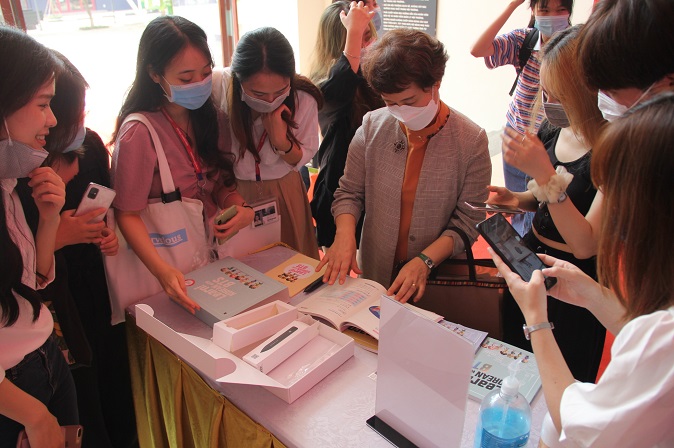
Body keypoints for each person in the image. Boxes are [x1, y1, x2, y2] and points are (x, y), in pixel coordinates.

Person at [490, 93, 674, 447]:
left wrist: (538, 322)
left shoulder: (661, 335)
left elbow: (577, 425)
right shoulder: (656, 324)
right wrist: (591, 294)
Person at [16, 51, 137, 447]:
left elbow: (107, 208)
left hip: (94, 287)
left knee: (114, 387)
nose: (78, 127)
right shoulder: (20, 170)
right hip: (55, 307)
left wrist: (106, 235)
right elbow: (28, 272)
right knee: (84, 404)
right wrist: (58, 233)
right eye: (49, 109)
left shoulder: (92, 149)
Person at [317, 29, 491, 303]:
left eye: (409, 101)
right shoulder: (373, 126)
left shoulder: (471, 141)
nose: (400, 111)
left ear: (435, 83)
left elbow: (469, 220)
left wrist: (425, 260)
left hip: (435, 276)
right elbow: (349, 192)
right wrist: (345, 234)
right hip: (376, 270)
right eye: (390, 103)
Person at [487, 26, 606, 382]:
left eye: (557, 92)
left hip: (573, 280)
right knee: (514, 362)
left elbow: (585, 243)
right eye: (545, 88)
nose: (548, 98)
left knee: (559, 376)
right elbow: (541, 202)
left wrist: (545, 175)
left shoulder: (613, 151)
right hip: (529, 261)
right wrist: (515, 199)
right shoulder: (554, 131)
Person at [111, 16, 253, 311]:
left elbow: (219, 184)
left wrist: (241, 209)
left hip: (211, 257)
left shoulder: (211, 116)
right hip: (163, 265)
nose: (200, 85)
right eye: (186, 79)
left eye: (205, 73)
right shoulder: (139, 132)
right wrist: (162, 271)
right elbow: (127, 214)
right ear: (154, 73)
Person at [0, 25, 75, 448]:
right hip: (13, 394)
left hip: (43, 357)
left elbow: (32, 282)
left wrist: (48, 219)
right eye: (43, 104)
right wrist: (33, 415)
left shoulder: (9, 183)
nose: (53, 119)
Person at [212, 27, 323, 258]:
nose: (271, 101)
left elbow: (301, 158)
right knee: (243, 273)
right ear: (238, 79)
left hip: (284, 190)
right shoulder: (218, 87)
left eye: (280, 91)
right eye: (258, 94)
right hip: (235, 194)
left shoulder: (303, 97)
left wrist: (280, 141)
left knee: (293, 269)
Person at [470, 0, 573, 236]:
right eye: (544, 10)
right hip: (518, 137)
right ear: (534, 11)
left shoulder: (578, 46)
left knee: (546, 208)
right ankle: (521, 257)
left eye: (560, 9)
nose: (552, 16)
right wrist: (511, 6)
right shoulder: (524, 41)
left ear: (569, 11)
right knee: (517, 204)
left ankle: (536, 254)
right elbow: (478, 50)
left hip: (553, 144)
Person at [309, 1, 383, 249]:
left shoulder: (369, 76)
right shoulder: (325, 86)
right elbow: (343, 79)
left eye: (368, 36)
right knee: (336, 272)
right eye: (360, 38)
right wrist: (353, 32)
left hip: (374, 184)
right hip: (338, 185)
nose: (367, 45)